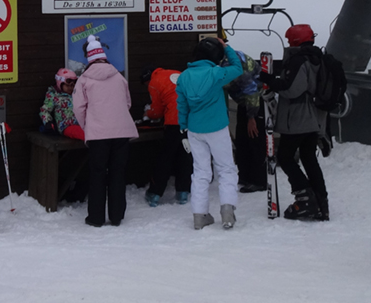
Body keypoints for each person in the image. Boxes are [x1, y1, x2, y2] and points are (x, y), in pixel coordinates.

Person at [257, 24, 329, 220]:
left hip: (297, 117)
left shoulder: (299, 60)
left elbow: (291, 89)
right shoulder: (318, 58)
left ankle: (305, 198)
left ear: (295, 41)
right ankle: (321, 201)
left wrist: (269, 80)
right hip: (313, 115)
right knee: (309, 158)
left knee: (286, 157)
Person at [176, 36, 244, 229]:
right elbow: (238, 67)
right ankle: (227, 212)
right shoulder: (216, 73)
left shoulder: (183, 77)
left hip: (195, 129)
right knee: (226, 169)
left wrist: (183, 128)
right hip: (217, 127)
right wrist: (227, 47)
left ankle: (199, 215)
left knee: (200, 172)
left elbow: (181, 105)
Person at [72, 35, 139, 226]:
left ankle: (96, 218)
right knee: (118, 173)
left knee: (98, 174)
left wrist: (88, 125)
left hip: (98, 134)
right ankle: (117, 216)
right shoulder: (119, 77)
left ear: (89, 58)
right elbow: (127, 102)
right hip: (121, 132)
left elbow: (78, 108)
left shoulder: (84, 79)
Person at [141, 65, 189, 206]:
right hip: (190, 121)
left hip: (174, 122)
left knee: (165, 158)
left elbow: (157, 110)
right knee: (185, 156)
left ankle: (154, 194)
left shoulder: (154, 83)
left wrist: (147, 114)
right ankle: (183, 192)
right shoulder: (177, 73)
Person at [226, 51, 264, 192]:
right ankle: (245, 175)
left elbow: (251, 90)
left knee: (254, 139)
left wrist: (252, 117)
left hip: (255, 103)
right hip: (244, 103)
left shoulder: (233, 64)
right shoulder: (227, 59)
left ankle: (259, 180)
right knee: (242, 139)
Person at [38, 67, 84, 140]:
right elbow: (44, 110)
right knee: (84, 134)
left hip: (81, 124)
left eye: (72, 86)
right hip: (66, 125)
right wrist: (48, 122)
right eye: (67, 86)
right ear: (60, 83)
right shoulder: (54, 95)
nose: (70, 88)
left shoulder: (77, 94)